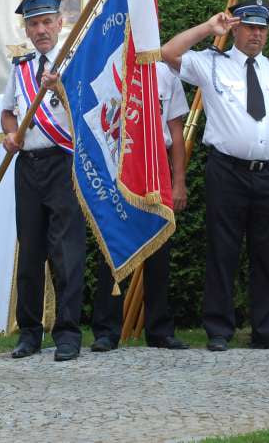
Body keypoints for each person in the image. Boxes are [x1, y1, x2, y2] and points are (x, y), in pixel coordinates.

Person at [161, 0, 269, 352]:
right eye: (250, 27)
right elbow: (167, 52)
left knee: (267, 253)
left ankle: (266, 331)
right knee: (222, 251)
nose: (257, 34)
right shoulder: (212, 64)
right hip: (227, 171)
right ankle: (218, 330)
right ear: (236, 28)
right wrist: (208, 29)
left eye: (262, 28)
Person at [1, 0, 86, 362]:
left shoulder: (75, 62)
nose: (41, 30)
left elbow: (88, 110)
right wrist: (9, 133)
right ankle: (29, 333)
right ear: (27, 29)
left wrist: (61, 89)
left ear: (60, 23)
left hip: (64, 163)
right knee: (30, 250)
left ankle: (67, 333)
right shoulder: (20, 68)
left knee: (66, 251)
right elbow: (8, 112)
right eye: (33, 24)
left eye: (46, 22)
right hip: (29, 167)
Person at [89, 62, 190, 352]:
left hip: (156, 172)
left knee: (159, 255)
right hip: (117, 171)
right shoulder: (110, 63)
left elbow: (176, 131)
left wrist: (179, 181)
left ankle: (159, 330)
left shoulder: (166, 73)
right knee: (112, 252)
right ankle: (107, 330)